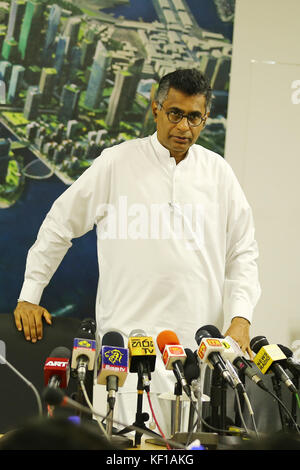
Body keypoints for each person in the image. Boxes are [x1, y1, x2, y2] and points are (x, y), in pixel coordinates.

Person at [13, 69, 261, 430]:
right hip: (124, 349)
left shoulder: (219, 173)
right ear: (155, 108)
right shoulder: (117, 162)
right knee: (122, 445)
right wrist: (29, 294)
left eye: (194, 117)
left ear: (204, 118)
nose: (184, 127)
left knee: (184, 448)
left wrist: (241, 317)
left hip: (194, 354)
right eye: (175, 113)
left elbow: (243, 250)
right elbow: (59, 224)